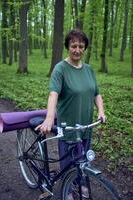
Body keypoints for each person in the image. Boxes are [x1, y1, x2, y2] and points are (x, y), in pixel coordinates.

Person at [36, 29, 106, 199]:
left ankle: (79, 184)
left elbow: (96, 93)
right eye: (73, 45)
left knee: (83, 160)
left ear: (84, 48)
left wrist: (101, 111)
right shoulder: (60, 69)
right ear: (68, 46)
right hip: (68, 127)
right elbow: (53, 94)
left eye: (81, 46)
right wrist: (50, 118)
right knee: (68, 164)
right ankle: (67, 190)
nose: (77, 49)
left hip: (86, 126)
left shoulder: (89, 70)